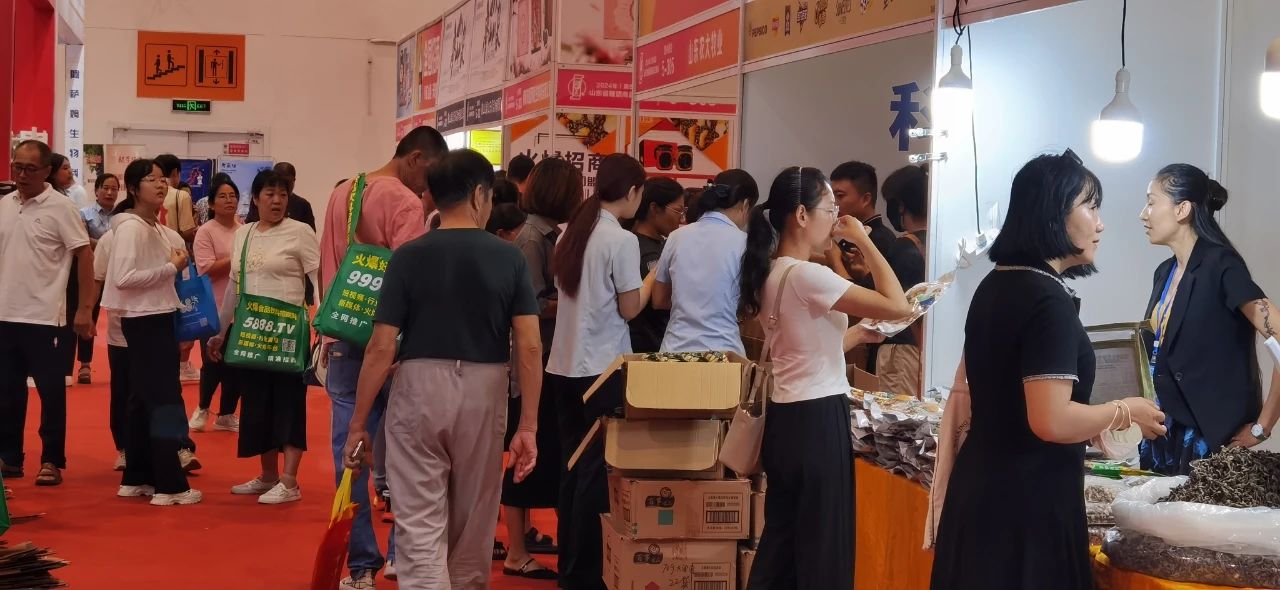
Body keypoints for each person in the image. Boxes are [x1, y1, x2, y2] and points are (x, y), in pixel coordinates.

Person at [930, 151, 1166, 590]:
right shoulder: (1046, 299)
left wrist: (1093, 420)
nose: (1101, 224)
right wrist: (1125, 410)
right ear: (1054, 213)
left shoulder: (998, 283)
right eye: (1091, 207)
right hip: (1025, 504)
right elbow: (1050, 421)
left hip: (986, 489)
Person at [341, 148, 543, 589]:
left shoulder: (408, 256)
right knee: (474, 523)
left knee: (418, 522)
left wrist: (358, 423)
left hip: (419, 386)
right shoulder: (509, 257)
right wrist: (528, 425)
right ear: (479, 196)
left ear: (433, 196)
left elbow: (380, 347)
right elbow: (529, 345)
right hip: (486, 388)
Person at [739, 166, 911, 589]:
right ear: (801, 214)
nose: (836, 219)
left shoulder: (774, 271)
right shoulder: (808, 275)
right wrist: (864, 240)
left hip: (786, 417)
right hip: (817, 420)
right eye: (830, 209)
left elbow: (803, 350)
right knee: (823, 547)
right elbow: (898, 304)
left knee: (782, 544)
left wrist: (857, 335)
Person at [319, 125, 448, 589]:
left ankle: (359, 566)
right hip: (389, 344)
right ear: (415, 159)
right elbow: (411, 281)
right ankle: (399, 555)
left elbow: (327, 269)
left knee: (350, 454)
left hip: (342, 335)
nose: (430, 188)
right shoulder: (404, 201)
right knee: (406, 455)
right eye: (430, 174)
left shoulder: (344, 192)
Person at [548, 153, 655, 590]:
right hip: (602, 369)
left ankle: (569, 566)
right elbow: (630, 308)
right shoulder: (621, 241)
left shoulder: (569, 233)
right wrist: (653, 278)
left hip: (563, 366)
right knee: (596, 473)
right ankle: (584, 573)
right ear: (632, 192)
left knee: (572, 468)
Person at [1138, 164, 1280, 473]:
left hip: (1208, 439)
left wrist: (1262, 426)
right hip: (1163, 435)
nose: (1143, 214)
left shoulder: (1221, 264)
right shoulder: (1164, 272)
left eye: (1151, 202)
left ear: (1182, 209)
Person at [208, 170, 319, 504]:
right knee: (257, 404)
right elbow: (234, 286)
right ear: (255, 199)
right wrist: (220, 330)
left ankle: (290, 481)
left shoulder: (300, 232)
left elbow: (319, 278)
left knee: (289, 402)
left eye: (283, 194)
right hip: (252, 332)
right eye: (270, 194)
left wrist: (324, 326)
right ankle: (268, 475)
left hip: (287, 332)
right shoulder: (244, 234)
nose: (277, 200)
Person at [101, 158, 203, 506]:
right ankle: (170, 485)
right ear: (133, 188)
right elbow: (123, 278)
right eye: (151, 179)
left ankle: (137, 477)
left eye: (163, 180)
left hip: (154, 316)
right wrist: (170, 268)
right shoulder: (131, 227)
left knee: (142, 399)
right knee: (163, 400)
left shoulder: (151, 226)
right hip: (146, 318)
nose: (161, 185)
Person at [502, 157, 584, 569]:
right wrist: (572, 301)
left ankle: (523, 543)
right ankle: (516, 551)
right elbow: (529, 306)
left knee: (541, 454)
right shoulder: (533, 238)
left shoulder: (546, 234)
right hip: (535, 361)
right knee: (528, 454)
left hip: (545, 357)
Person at [0, 140, 95, 485]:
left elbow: (84, 255)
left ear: (46, 171)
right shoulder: (5, 204)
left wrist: (85, 308)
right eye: (17, 167)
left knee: (51, 392)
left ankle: (52, 459)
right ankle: (10, 457)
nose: (22, 174)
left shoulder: (61, 208)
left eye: (30, 169)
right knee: (7, 392)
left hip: (46, 317)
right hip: (5, 315)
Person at [653, 170, 759, 355]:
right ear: (745, 205)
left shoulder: (676, 237)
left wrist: (690, 304)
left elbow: (659, 299)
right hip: (723, 354)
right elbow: (751, 307)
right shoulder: (745, 244)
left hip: (675, 352)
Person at [188, 176, 243, 433]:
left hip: (240, 308)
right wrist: (237, 258)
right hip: (213, 307)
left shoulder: (244, 229)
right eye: (222, 196)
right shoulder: (206, 231)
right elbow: (206, 269)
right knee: (213, 362)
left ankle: (226, 414)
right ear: (211, 204)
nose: (229, 200)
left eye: (232, 196)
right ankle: (202, 408)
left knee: (236, 364)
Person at [873, 165, 930, 396]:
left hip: (901, 349)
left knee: (898, 415)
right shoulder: (939, 243)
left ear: (901, 206)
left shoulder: (903, 246)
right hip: (929, 348)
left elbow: (879, 297)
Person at [154, 154, 200, 383]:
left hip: (153, 261)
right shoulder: (180, 195)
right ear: (175, 173)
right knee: (184, 311)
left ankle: (160, 362)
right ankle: (181, 364)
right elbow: (187, 231)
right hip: (177, 259)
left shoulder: (147, 195)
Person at [626, 178, 685, 353]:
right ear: (654, 208)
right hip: (647, 347)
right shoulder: (638, 249)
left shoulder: (665, 244)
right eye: (678, 211)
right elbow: (659, 300)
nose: (681, 218)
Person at [75, 173, 121, 384]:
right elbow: (82, 240)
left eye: (114, 189)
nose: (110, 192)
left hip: (118, 272)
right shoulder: (84, 214)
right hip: (93, 272)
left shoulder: (123, 216)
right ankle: (85, 364)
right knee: (89, 313)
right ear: (96, 190)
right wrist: (106, 246)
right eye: (106, 188)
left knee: (120, 316)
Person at [246, 162, 317, 229]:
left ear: (294, 180)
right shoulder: (258, 200)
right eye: (270, 194)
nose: (277, 201)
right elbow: (250, 221)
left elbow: (310, 231)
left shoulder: (303, 205)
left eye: (287, 181)